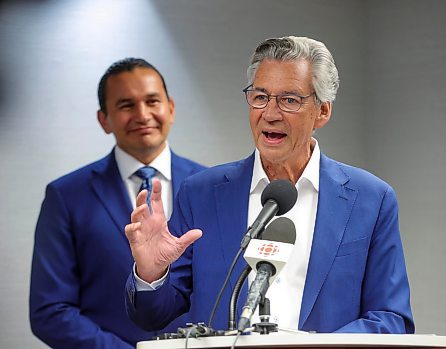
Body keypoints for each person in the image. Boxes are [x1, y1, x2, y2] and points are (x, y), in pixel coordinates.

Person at [124, 37, 415, 334]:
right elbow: (153, 317)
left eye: (290, 100)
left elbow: (391, 319)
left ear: (322, 111)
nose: (271, 113)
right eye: (260, 97)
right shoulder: (201, 194)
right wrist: (151, 273)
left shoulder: (370, 199)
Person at [29, 58, 206, 349]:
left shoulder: (210, 187)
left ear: (171, 108)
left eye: (152, 101)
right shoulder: (66, 195)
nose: (142, 114)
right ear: (104, 120)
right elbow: (50, 310)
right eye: (126, 105)